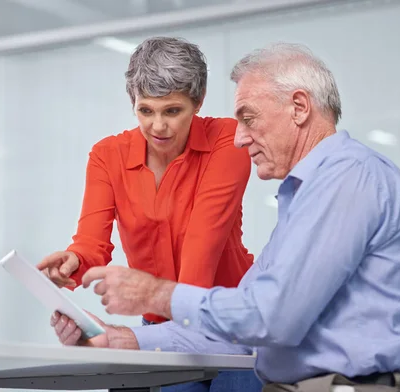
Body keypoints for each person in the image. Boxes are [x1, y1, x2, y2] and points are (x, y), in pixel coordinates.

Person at [49, 42, 400, 392]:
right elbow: (249, 332)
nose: (240, 137)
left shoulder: (350, 179)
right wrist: (118, 339)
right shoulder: (309, 197)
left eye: (249, 119)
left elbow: (270, 319)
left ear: (299, 108)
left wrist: (153, 294)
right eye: (146, 110)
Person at [37, 36, 261, 391]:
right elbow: (91, 243)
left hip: (230, 326)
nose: (158, 126)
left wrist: (125, 337)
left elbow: (202, 249)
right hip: (160, 323)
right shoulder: (107, 156)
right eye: (146, 110)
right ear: (133, 103)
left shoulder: (227, 140)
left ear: (198, 102)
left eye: (172, 111)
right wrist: (73, 261)